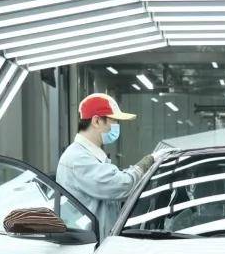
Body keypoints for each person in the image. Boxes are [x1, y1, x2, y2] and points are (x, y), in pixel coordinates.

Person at [56, 93, 154, 237]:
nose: (117, 127)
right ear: (96, 121)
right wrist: (146, 163)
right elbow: (122, 185)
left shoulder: (90, 155)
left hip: (98, 239)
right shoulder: (78, 159)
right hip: (90, 244)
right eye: (114, 121)